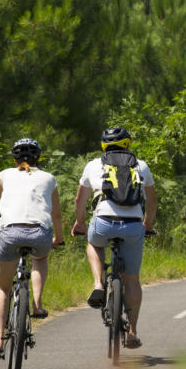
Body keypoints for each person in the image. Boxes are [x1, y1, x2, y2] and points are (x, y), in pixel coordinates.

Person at [71, 127, 157, 349]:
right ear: (127, 144)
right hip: (133, 226)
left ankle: (99, 282)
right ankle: (132, 332)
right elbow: (152, 201)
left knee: (93, 243)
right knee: (132, 280)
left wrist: (79, 222)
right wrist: (147, 225)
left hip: (103, 222)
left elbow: (80, 199)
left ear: (103, 145)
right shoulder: (141, 165)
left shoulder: (93, 165)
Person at [0, 139, 64, 362]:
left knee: (1, 287)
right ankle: (37, 305)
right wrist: (59, 238)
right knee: (40, 258)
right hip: (39, 234)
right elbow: (56, 215)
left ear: (14, 159)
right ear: (38, 158)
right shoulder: (49, 178)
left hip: (9, 234)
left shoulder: (5, 174)